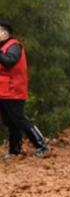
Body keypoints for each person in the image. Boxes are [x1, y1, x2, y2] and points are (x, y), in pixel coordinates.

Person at [0, 20, 49, 159]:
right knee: (10, 121)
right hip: (3, 91)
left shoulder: (14, 46)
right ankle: (14, 151)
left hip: (14, 91)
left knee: (19, 119)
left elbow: (9, 61)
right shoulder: (3, 47)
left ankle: (42, 146)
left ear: (4, 33)